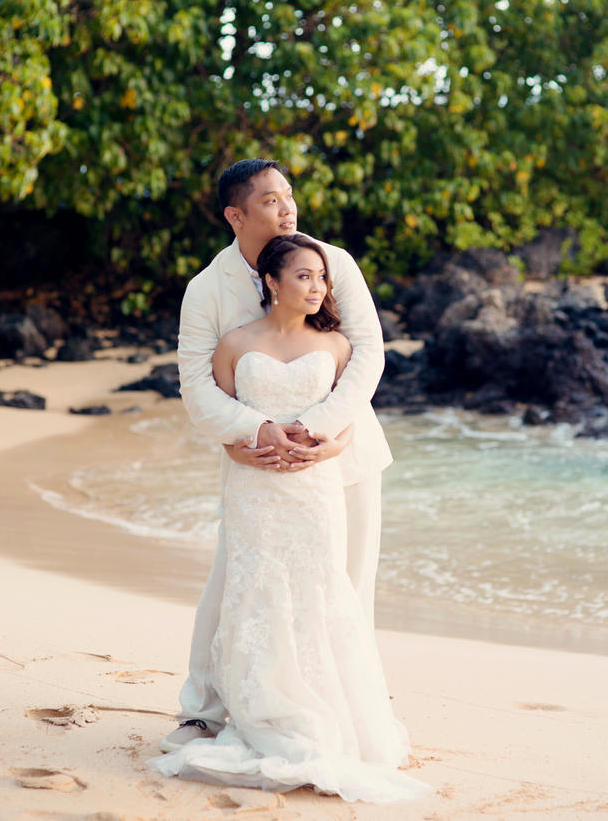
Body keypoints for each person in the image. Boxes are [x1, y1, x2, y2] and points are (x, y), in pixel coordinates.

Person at [150, 235, 428, 801]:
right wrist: (245, 442)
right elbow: (216, 410)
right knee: (253, 591)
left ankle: (334, 706)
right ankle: (247, 710)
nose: (319, 286)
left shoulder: (337, 341)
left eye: (321, 279)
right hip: (254, 485)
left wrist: (325, 445)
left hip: (316, 482)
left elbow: (354, 400)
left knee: (326, 586)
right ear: (271, 282)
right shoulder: (229, 335)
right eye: (305, 277)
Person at [163, 158, 392, 749]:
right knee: (237, 582)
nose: (287, 207)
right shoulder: (207, 289)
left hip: (341, 452)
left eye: (288, 196)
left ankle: (345, 702)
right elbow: (196, 383)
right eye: (270, 200)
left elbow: (367, 354)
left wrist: (316, 429)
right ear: (236, 215)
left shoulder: (332, 262)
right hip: (256, 463)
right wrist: (257, 430)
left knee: (345, 580)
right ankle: (206, 709)